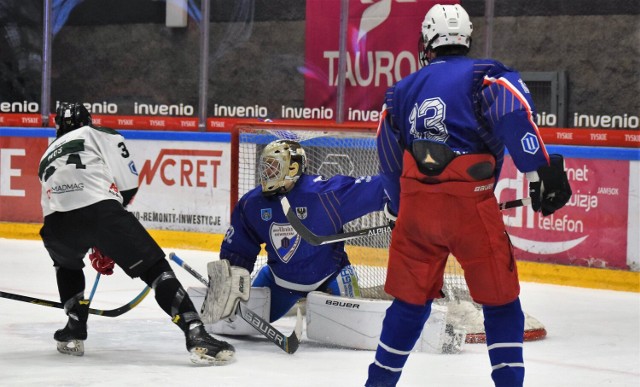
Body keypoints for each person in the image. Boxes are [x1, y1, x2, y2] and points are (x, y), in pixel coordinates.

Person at [366, 4, 572, 387]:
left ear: (428, 39)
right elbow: (514, 112)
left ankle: (377, 383)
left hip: (417, 214)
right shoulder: (486, 75)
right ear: (467, 37)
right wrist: (540, 167)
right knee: (501, 302)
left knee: (409, 304)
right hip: (470, 210)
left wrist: (398, 209)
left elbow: (388, 157)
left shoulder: (399, 91)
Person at [38, 102, 235, 365]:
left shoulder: (46, 155)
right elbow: (128, 185)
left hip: (56, 226)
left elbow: (53, 210)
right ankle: (195, 332)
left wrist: (92, 243)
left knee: (66, 264)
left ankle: (74, 326)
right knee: (156, 270)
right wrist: (106, 239)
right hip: (102, 213)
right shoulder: (99, 133)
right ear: (88, 120)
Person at [205, 139, 388, 327]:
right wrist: (231, 279)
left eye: (273, 166)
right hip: (279, 282)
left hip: (331, 277)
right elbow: (238, 249)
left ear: (292, 168)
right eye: (265, 166)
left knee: (352, 328)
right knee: (231, 324)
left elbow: (377, 188)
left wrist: (400, 202)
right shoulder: (252, 203)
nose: (266, 172)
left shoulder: (324, 195)